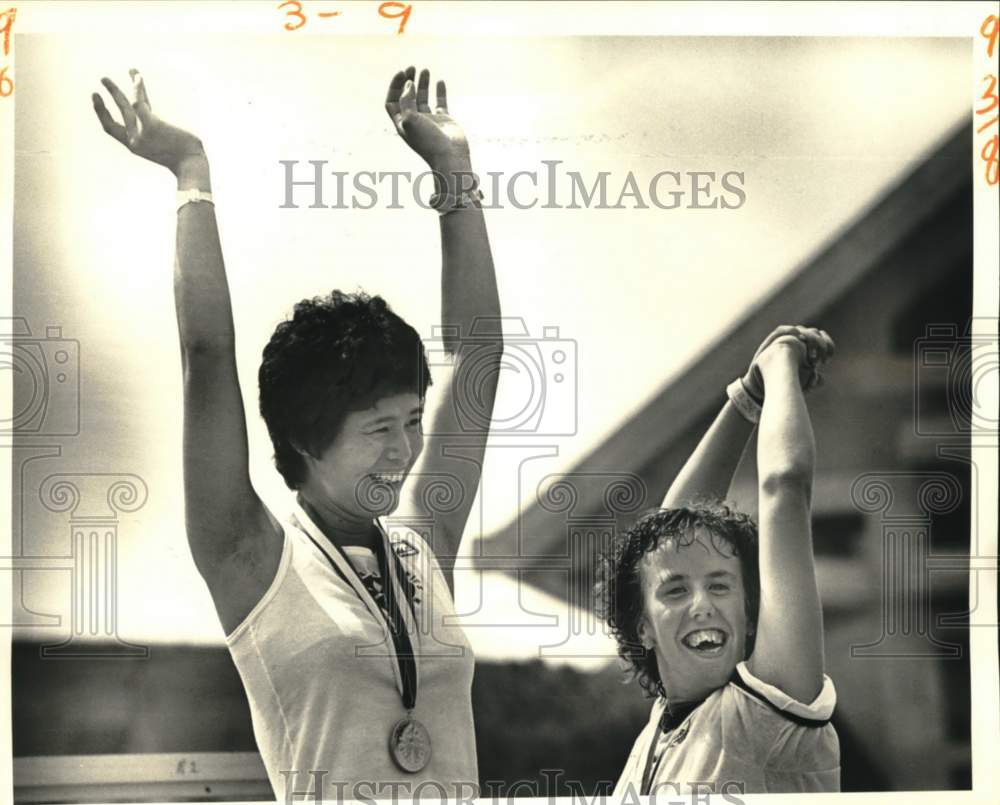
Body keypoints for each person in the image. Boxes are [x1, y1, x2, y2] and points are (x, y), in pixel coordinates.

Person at [92, 65, 502, 801]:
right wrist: (192, 171)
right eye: (378, 428)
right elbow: (207, 355)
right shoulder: (249, 556)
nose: (404, 450)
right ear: (307, 440)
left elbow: (479, 353)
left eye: (411, 421)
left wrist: (455, 173)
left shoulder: (423, 541)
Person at [599, 325, 841, 795]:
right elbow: (668, 536)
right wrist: (746, 398)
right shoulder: (656, 735)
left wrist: (779, 362)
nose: (702, 603)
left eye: (721, 585)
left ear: (752, 614)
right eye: (676, 591)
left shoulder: (765, 714)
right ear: (643, 625)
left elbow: (785, 487)